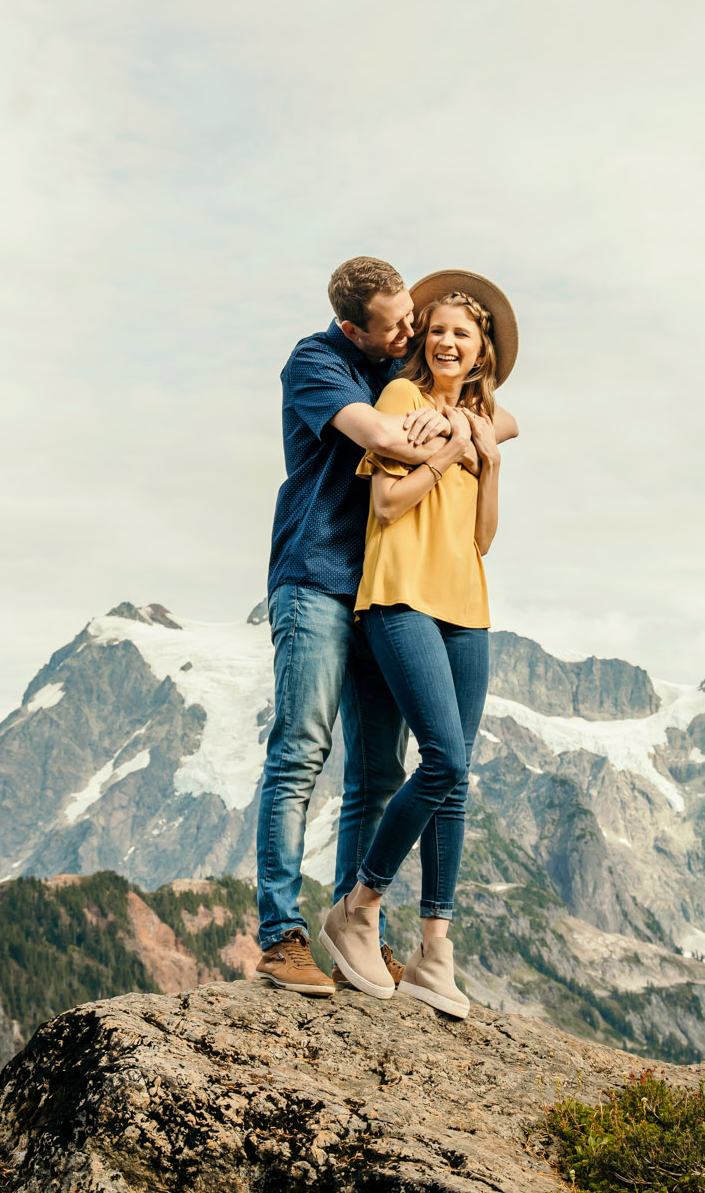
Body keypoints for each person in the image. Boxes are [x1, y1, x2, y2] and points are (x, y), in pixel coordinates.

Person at [253, 258, 519, 996]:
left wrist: (469, 421)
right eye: (402, 324)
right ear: (353, 328)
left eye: (419, 319)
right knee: (302, 748)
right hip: (317, 578)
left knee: (378, 770)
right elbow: (380, 433)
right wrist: (449, 434)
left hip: (380, 589)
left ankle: (354, 936)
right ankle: (280, 934)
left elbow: (506, 416)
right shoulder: (321, 362)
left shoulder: (391, 368)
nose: (413, 331)